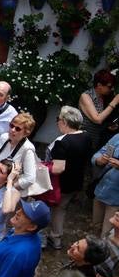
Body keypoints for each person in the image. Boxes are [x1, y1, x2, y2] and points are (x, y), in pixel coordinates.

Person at [43, 106, 94, 250]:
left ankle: (44, 238)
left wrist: (40, 167)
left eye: (58, 119)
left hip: (59, 185)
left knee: (47, 209)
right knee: (61, 210)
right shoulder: (86, 136)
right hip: (75, 182)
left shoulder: (62, 142)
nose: (57, 122)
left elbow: (58, 168)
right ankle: (56, 238)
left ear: (64, 122)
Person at [0, 112, 38, 196]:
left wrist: (8, 187)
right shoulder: (4, 137)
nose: (12, 130)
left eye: (18, 129)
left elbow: (30, 179)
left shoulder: (27, 149)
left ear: (26, 133)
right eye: (11, 126)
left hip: (8, 192)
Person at [79, 70, 119, 152]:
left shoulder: (106, 96)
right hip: (84, 141)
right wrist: (114, 102)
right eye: (109, 86)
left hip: (98, 142)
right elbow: (97, 119)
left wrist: (109, 125)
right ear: (99, 85)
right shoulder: (86, 96)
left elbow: (105, 118)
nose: (112, 89)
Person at [92, 133, 119, 236]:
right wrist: (99, 160)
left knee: (107, 235)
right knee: (95, 227)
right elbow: (100, 153)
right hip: (101, 190)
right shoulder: (117, 137)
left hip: (116, 199)